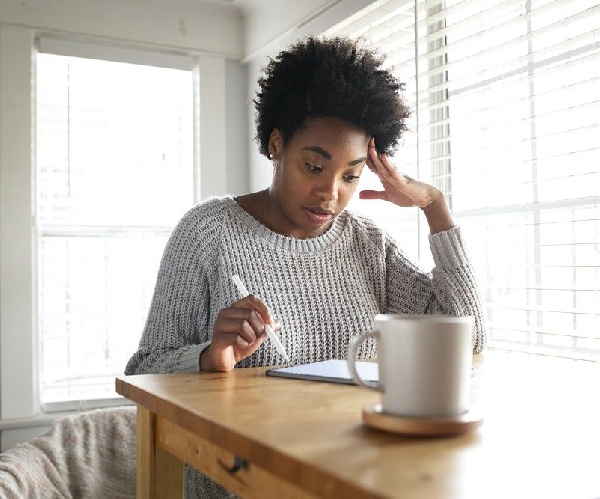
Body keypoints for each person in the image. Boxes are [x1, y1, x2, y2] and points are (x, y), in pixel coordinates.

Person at [125, 36, 486, 497]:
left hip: (354, 475)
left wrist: (435, 206)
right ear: (276, 143)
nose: (330, 193)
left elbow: (465, 339)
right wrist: (209, 357)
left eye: (351, 176)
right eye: (314, 166)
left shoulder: (366, 243)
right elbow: (143, 369)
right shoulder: (207, 233)